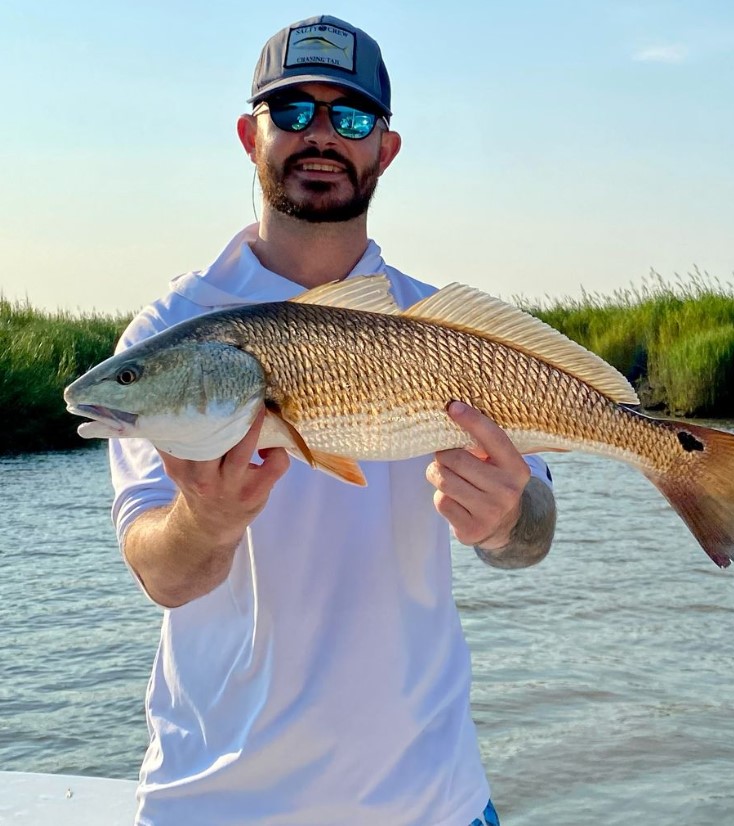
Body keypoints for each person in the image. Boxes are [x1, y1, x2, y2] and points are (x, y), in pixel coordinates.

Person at [110, 14, 557, 826]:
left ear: (385, 148)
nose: (320, 135)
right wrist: (205, 522)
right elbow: (162, 576)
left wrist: (503, 521)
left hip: (432, 801)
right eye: (291, 111)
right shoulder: (172, 333)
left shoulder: (441, 327)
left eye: (349, 116)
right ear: (249, 135)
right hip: (215, 804)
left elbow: (532, 536)